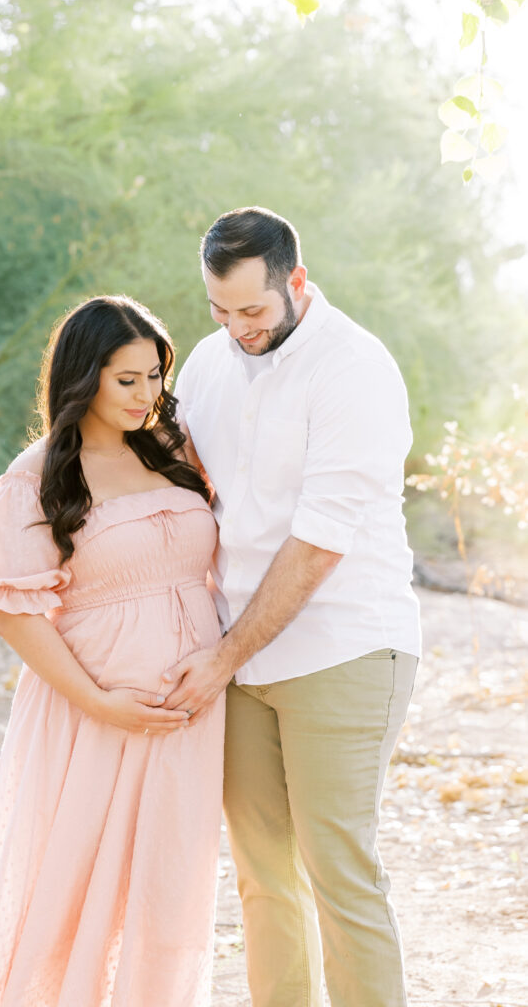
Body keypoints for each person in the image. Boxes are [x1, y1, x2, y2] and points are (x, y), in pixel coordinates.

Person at [165, 206, 422, 1007]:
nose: (236, 327)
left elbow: (317, 544)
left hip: (345, 645)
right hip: (238, 655)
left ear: (295, 283)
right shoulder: (208, 361)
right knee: (262, 877)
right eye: (220, 309)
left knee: (336, 870)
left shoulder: (353, 369)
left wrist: (219, 658)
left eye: (252, 310)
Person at [0, 295, 225, 1007]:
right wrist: (101, 703)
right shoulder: (38, 475)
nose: (146, 396)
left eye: (153, 377)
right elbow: (12, 611)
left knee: (169, 891)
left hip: (187, 712)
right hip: (92, 712)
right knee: (71, 895)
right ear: (85, 377)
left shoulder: (173, 451)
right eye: (126, 380)